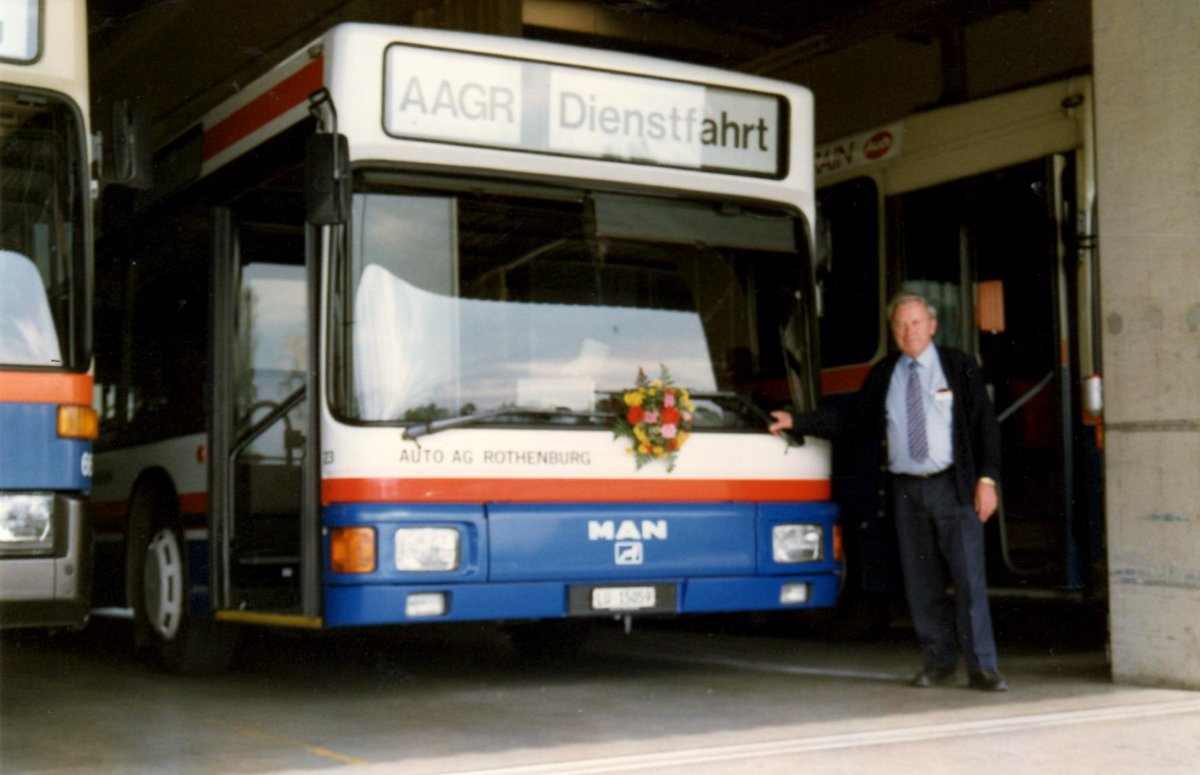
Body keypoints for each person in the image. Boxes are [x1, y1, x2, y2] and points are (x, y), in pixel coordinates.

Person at [769, 293, 1008, 691]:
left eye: (915, 323)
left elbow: (986, 425)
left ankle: (983, 667)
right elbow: (852, 419)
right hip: (906, 491)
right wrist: (798, 420)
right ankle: (938, 663)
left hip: (954, 488)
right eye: (900, 325)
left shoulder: (958, 366)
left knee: (968, 580)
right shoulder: (886, 372)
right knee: (921, 583)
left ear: (932, 326)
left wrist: (987, 480)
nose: (908, 331)